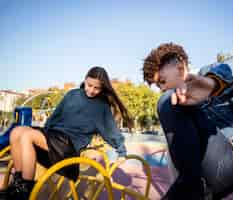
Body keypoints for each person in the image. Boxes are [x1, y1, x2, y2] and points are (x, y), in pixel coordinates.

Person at [142, 43, 233, 200]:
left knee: (168, 100)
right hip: (204, 176)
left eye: (162, 81)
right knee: (170, 102)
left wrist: (213, 82)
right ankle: (190, 188)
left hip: (231, 156)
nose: (162, 88)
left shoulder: (205, 76)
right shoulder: (176, 112)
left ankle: (189, 187)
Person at [0, 66, 133, 200]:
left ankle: (25, 190)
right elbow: (54, 117)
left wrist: (122, 151)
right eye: (89, 85)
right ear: (85, 80)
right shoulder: (72, 95)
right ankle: (17, 184)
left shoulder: (101, 107)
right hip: (53, 138)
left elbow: (111, 131)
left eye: (96, 88)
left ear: (103, 88)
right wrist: (43, 133)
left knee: (27, 135)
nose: (91, 90)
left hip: (68, 148)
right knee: (16, 132)